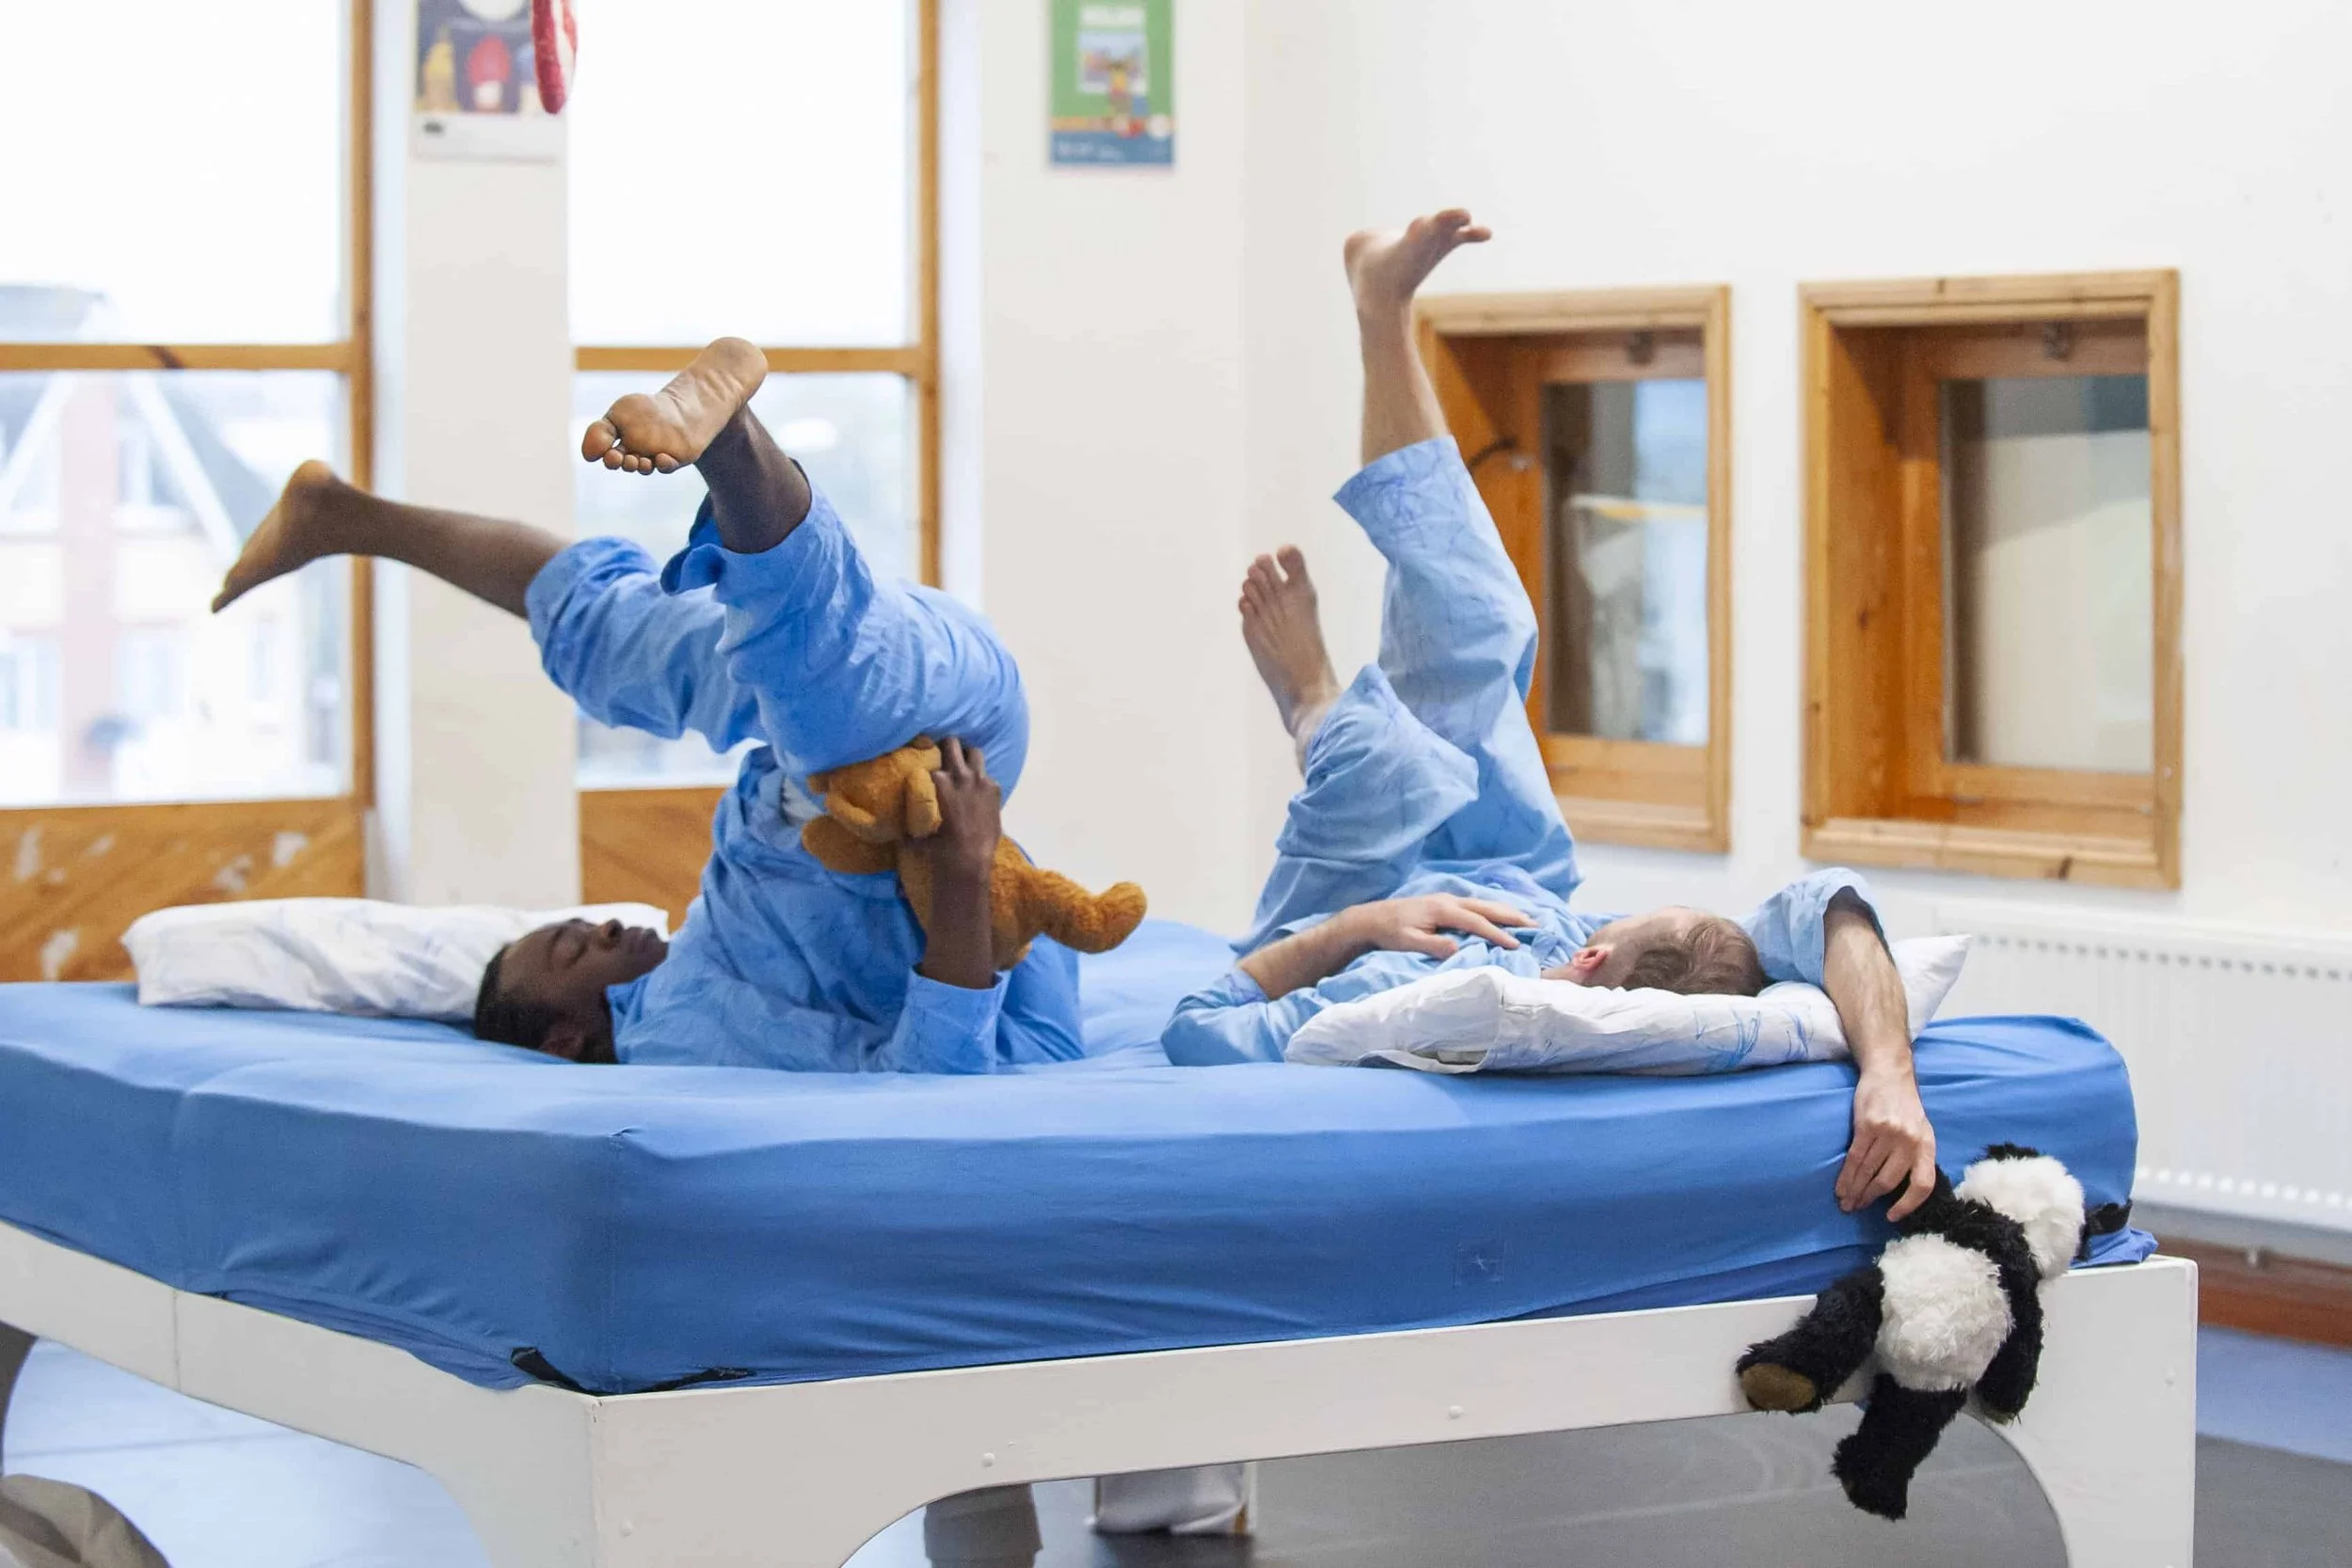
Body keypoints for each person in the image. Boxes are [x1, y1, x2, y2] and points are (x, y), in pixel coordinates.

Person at [1164, 210, 1937, 1223]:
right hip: (1515, 866)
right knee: (1486, 613)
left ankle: (1313, 701)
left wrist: (1359, 926)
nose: (1606, 925)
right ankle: (1381, 308)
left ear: (1587, 963)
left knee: (1380, 759)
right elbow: (1831, 899)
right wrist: (1889, 1071)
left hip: (1368, 905)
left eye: (1615, 928)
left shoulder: (1424, 987)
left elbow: (1198, 1024)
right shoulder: (1591, 939)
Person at [213, 338, 1082, 1075]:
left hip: (865, 709)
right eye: (571, 950)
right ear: (569, 1035)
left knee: (618, 633)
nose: (597, 924)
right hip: (935, 743)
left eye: (574, 925)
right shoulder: (679, 1030)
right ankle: (733, 443)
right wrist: (966, 872)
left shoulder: (706, 940)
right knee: (826, 698)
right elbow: (934, 1079)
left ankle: (340, 514)